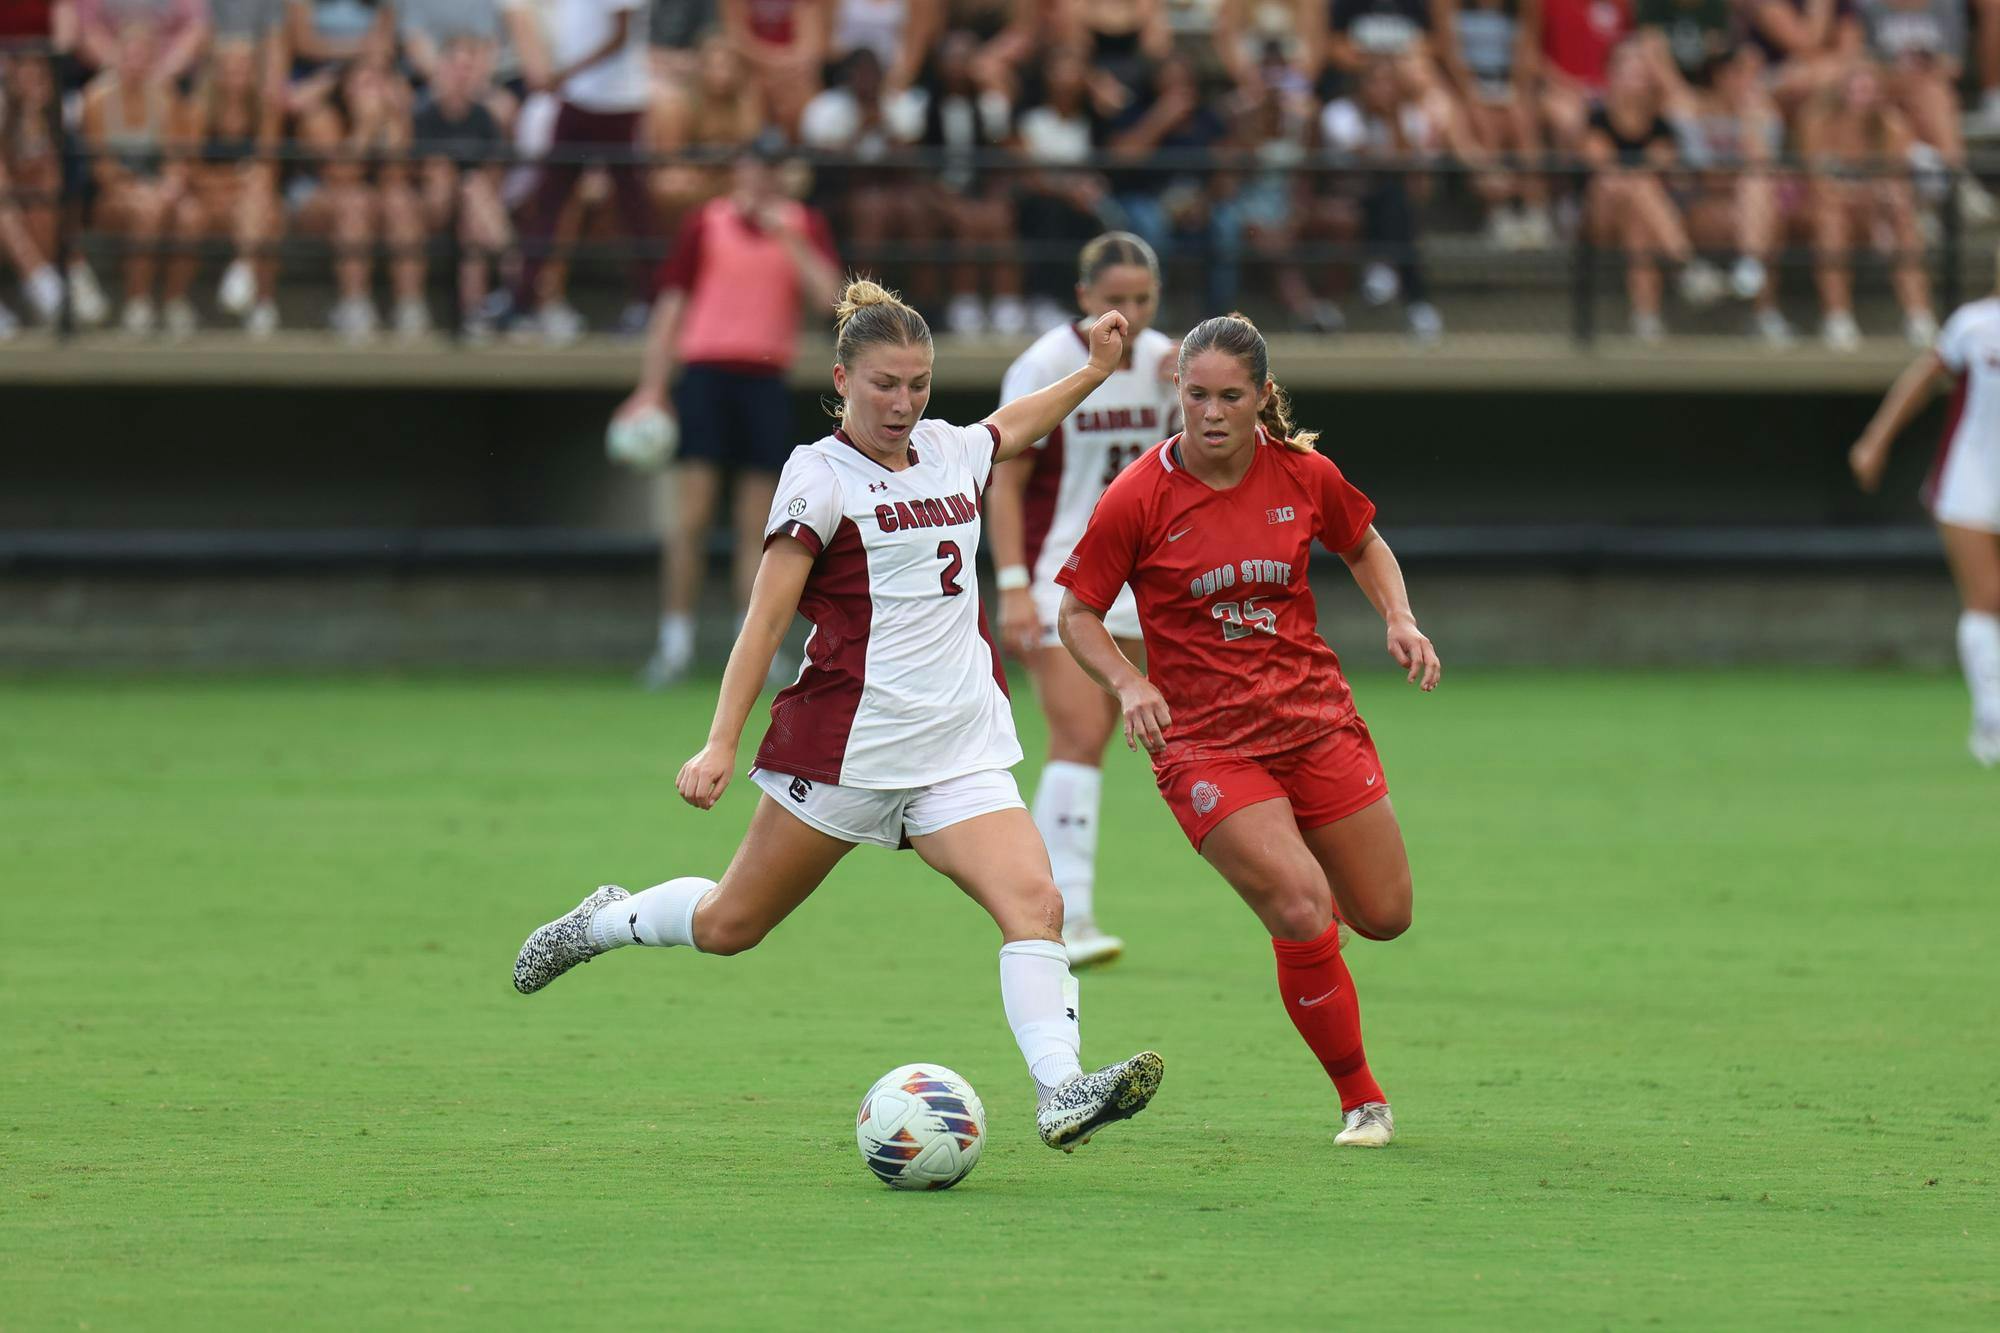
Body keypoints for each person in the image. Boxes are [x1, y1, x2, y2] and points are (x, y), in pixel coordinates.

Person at [515, 280, 1167, 1153]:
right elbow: (765, 621)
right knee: (729, 924)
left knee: (1037, 902)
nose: (903, 404)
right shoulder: (817, 476)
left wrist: (1093, 370)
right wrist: (720, 741)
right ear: (841, 379)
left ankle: (1059, 1090)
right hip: (848, 753)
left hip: (956, 751)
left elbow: (1016, 424)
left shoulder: (949, 448)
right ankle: (603, 920)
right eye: (885, 384)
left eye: (920, 383)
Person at [1054, 312, 1441, 1149]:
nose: (1212, 412)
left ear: (1263, 397)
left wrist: (1400, 618)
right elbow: (1077, 612)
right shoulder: (1139, 496)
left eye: (1232, 396)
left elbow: (1365, 544)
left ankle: (1302, 890)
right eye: (1197, 395)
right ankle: (1362, 1100)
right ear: (1179, 395)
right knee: (1302, 910)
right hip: (1204, 744)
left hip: (1314, 722)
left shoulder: (1304, 473)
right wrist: (1127, 683)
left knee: (1385, 914)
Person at [985, 232, 1177, 968]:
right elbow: (1007, 477)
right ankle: (1067, 910)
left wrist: (1187, 370)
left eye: (1142, 300)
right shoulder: (1046, 364)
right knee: (1079, 733)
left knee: (1178, 735)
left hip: (1147, 584)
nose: (1128, 314)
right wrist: (1011, 588)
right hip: (1061, 581)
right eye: (1114, 300)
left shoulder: (1172, 363)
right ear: (1084, 299)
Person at [616, 134, 841, 688]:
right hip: (705, 376)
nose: (762, 177)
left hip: (764, 380)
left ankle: (753, 648)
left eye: (772, 167)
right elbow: (672, 306)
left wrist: (788, 236)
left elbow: (830, 299)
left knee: (758, 527)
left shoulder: (802, 225)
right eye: (754, 165)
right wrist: (651, 386)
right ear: (740, 169)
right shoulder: (706, 222)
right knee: (688, 520)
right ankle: (675, 641)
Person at [1848, 276, 2000, 766]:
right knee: (1987, 597)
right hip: (1971, 477)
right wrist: (1876, 439)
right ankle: (1991, 718)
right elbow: (1923, 377)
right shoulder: (1973, 326)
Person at [502, 0, 659, 341]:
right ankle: (522, 302)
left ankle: (650, 303)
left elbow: (620, 35)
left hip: (614, 105)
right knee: (550, 202)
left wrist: (563, 74)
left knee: (633, 210)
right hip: (580, 101)